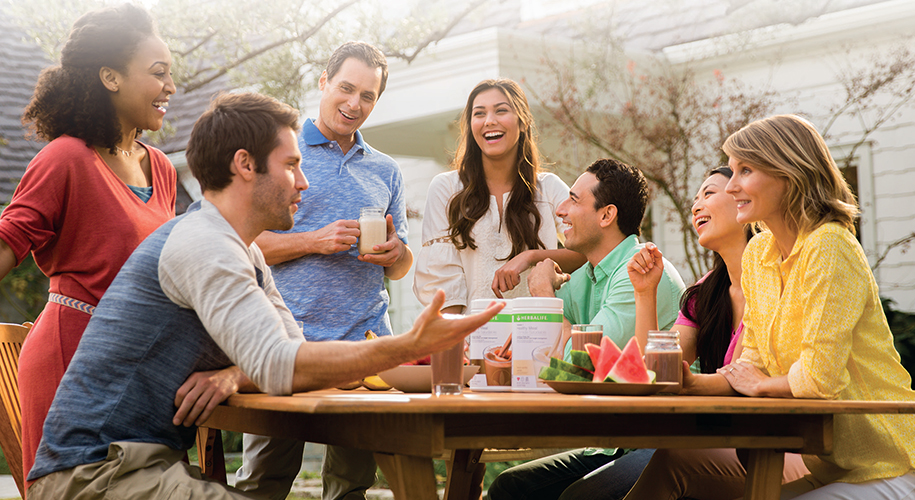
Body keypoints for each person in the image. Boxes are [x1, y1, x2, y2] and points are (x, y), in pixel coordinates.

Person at [25, 92, 504, 500]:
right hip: (93, 477)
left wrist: (236, 372)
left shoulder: (242, 250)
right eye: (292, 165)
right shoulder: (205, 245)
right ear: (245, 165)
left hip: (140, 467)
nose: (304, 182)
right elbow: (282, 366)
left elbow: (292, 354)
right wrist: (406, 346)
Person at [629, 114, 915, 499]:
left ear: (789, 172)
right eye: (731, 172)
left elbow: (819, 380)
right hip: (828, 463)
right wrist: (696, 383)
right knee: (672, 462)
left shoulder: (829, 246)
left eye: (745, 171)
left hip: (888, 463)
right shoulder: (760, 254)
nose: (731, 187)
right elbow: (754, 361)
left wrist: (761, 386)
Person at [1, 3, 177, 487]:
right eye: (158, 73)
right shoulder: (64, 159)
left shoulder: (158, 166)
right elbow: (7, 242)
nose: (170, 87)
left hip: (140, 366)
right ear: (110, 77)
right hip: (71, 360)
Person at [237, 42, 410, 500]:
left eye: (368, 96)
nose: (355, 104)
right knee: (262, 483)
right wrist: (313, 241)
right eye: (346, 88)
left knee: (352, 486)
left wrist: (395, 254)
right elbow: (243, 244)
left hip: (364, 346)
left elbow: (402, 264)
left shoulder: (386, 170)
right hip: (284, 344)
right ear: (323, 82)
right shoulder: (279, 154)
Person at [487, 158, 685, 499]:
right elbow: (534, 350)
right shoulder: (586, 277)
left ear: (606, 215)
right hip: (611, 445)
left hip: (663, 441)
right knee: (511, 487)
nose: (561, 210)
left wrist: (545, 294)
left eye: (574, 200)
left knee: (578, 497)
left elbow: (578, 364)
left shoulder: (639, 271)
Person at [617, 166, 807, 499]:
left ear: (743, 203)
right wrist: (645, 292)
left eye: (708, 194)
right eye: (695, 198)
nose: (695, 206)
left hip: (788, 446)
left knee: (670, 463)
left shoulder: (783, 281)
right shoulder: (705, 292)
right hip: (730, 442)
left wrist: (692, 383)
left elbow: (756, 377)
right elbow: (655, 369)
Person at [413, 78, 585, 312]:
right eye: (479, 113)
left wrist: (531, 257)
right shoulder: (446, 188)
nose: (489, 121)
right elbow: (442, 282)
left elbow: (587, 251)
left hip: (537, 335)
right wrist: (456, 342)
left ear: (523, 122)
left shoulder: (550, 189)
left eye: (501, 111)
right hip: (470, 338)